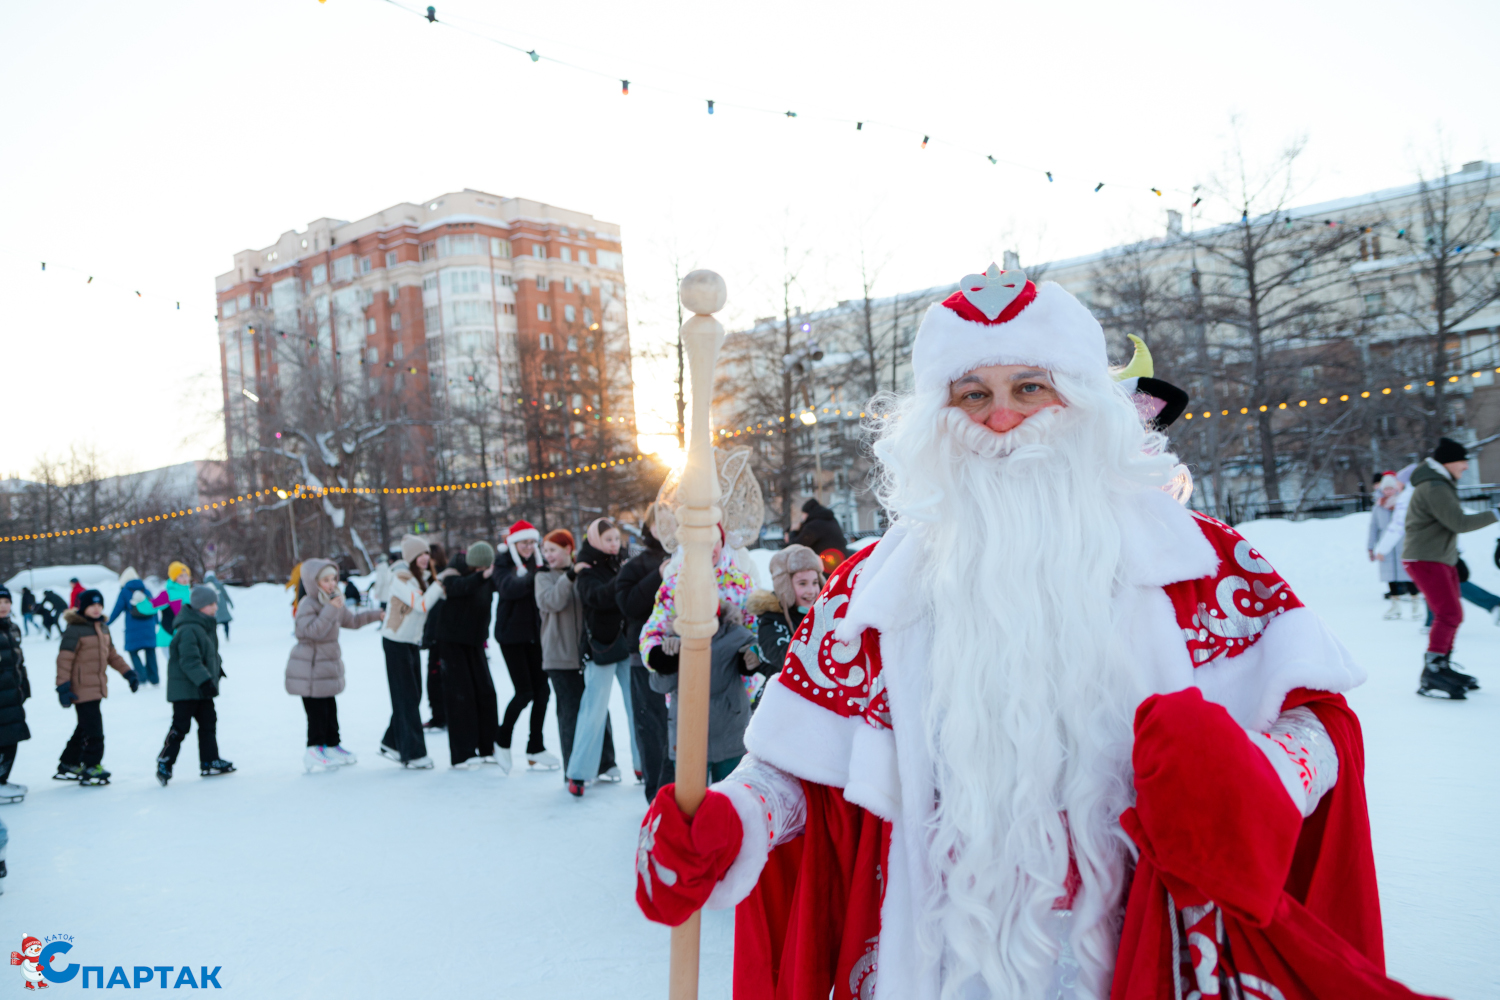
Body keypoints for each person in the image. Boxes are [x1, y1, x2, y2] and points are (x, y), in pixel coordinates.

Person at [632, 265, 1426, 1000]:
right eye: (971, 395)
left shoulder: (1200, 562)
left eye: (1029, 387)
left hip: (1147, 958)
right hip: (940, 963)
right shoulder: (874, 589)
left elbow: (1321, 727)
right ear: (935, 421)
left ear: (1081, 401)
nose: (1001, 418)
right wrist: (732, 819)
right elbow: (798, 778)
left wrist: (1250, 774)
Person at [1402, 437, 1500, 699]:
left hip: (1438, 557)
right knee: (1449, 614)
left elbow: (1444, 525)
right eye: (1463, 461)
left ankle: (1441, 665)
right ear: (1449, 462)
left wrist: (1454, 559)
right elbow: (1459, 523)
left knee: (1451, 613)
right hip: (1426, 558)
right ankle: (1433, 671)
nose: (1466, 466)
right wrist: (1496, 513)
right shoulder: (1435, 486)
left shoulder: (1439, 483)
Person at [284, 559, 383, 771]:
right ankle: (314, 749)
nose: (331, 584)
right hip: (310, 668)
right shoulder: (307, 604)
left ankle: (332, 744)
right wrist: (330, 609)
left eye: (333, 579)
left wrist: (377, 615)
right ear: (313, 582)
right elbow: (309, 632)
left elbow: (353, 621)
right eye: (325, 580)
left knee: (330, 709)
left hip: (326, 667)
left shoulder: (333, 600)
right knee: (317, 712)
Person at [535, 529, 617, 782]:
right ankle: (573, 768)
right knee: (570, 712)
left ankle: (606, 762)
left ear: (568, 550)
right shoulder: (543, 576)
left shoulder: (585, 573)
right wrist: (570, 576)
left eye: (553, 550)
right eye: (545, 550)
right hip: (559, 656)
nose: (548, 555)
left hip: (587, 653)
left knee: (596, 707)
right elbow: (550, 602)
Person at [647, 600, 758, 786]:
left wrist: (752, 656)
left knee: (727, 801)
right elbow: (658, 685)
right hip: (687, 734)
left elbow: (755, 648)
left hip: (729, 732)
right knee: (689, 804)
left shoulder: (735, 634)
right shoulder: (676, 639)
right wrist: (670, 661)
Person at [567, 517, 638, 795]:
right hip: (602, 646)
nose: (613, 545)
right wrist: (624, 579)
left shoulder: (622, 562)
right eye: (607, 540)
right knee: (593, 711)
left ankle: (644, 763)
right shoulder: (586, 567)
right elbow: (596, 598)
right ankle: (579, 773)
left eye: (616, 540)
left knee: (637, 708)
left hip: (628, 643)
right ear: (596, 540)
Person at [615, 505, 673, 802]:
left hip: (688, 656)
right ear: (649, 527)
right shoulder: (636, 565)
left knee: (681, 728)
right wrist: (658, 576)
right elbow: (627, 605)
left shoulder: (693, 557)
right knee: (652, 728)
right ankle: (656, 795)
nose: (666, 529)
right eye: (660, 523)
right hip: (646, 658)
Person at [494, 521, 560, 772]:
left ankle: (536, 747)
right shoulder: (503, 562)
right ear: (513, 544)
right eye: (524, 543)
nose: (529, 547)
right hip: (511, 637)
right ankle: (501, 740)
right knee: (525, 692)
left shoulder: (539, 562)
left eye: (533, 543)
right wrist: (538, 576)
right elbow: (508, 588)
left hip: (536, 635)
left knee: (542, 691)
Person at [55, 589, 138, 785]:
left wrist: (128, 673)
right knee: (94, 730)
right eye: (92, 605)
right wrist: (63, 687)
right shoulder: (75, 630)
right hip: (80, 688)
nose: (96, 609)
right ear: (83, 608)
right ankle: (91, 766)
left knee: (84, 727)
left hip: (96, 687)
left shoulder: (102, 627)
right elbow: (64, 660)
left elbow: (112, 655)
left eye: (99, 605)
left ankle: (68, 762)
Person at [431, 544, 503, 769]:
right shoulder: (453, 575)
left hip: (474, 643)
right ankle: (462, 753)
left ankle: (487, 746)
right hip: (451, 643)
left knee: (486, 693)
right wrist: (483, 575)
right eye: (479, 566)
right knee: (461, 697)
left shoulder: (486, 578)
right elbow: (459, 587)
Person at [376, 535, 443, 769]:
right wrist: (439, 584)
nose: (425, 558)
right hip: (395, 642)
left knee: (413, 696)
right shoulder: (400, 579)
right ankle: (413, 754)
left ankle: (392, 742)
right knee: (406, 698)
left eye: (426, 554)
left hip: (410, 642)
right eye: (419, 555)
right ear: (410, 558)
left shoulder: (422, 579)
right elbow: (421, 604)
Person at [156, 586, 233, 784]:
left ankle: (210, 760)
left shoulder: (205, 625)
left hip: (201, 688)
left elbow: (209, 654)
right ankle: (165, 760)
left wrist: (218, 668)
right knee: (181, 726)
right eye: (211, 604)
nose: (215, 607)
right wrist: (206, 680)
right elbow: (189, 661)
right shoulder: (189, 628)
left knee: (208, 723)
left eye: (215, 603)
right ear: (199, 607)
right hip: (185, 689)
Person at [745, 544, 824, 679]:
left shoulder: (823, 615)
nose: (811, 590)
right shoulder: (772, 620)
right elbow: (786, 658)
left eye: (815, 582)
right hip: (785, 696)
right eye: (802, 583)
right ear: (785, 586)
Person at [1367, 473, 1419, 619]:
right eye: (1386, 489)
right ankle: (1395, 607)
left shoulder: (1404, 504)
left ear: (1396, 489)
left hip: (1404, 545)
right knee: (1390, 578)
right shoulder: (1378, 507)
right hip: (1386, 548)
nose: (1388, 491)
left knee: (1409, 576)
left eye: (1391, 488)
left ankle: (1416, 606)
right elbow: (1373, 528)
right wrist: (1371, 547)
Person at [0, 587, 30, 804]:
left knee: (12, 738)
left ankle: (2, 780)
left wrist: (25, 686)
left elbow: (20, 661)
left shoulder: (12, 628)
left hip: (12, 695)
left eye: (7, 601)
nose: (4, 606)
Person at [108, 567, 162, 685]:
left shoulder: (125, 591)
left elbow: (117, 609)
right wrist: (156, 622)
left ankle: (142, 677)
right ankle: (154, 679)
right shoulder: (146, 590)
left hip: (133, 629)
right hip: (149, 626)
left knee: (133, 651)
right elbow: (154, 607)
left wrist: (106, 623)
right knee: (150, 652)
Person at [421, 542, 449, 731]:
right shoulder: (433, 577)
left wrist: (428, 636)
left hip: (439, 637)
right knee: (438, 677)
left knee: (435, 677)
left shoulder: (437, 578)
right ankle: (440, 715)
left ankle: (440, 716)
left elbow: (435, 611)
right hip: (439, 636)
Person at [787, 497, 850, 564]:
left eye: (803, 513)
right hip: (840, 559)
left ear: (808, 513)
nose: (802, 517)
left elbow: (797, 545)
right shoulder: (832, 519)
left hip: (825, 564)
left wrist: (793, 531)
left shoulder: (813, 525)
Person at [155, 561, 193, 636]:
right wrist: (142, 601)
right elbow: (151, 606)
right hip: (169, 634)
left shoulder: (190, 593)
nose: (185, 578)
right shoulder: (167, 594)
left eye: (186, 575)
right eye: (181, 576)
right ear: (174, 578)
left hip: (186, 633)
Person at [203, 570, 234, 640]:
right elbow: (225, 595)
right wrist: (230, 603)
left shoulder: (206, 586)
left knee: (214, 624)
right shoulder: (219, 584)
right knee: (225, 622)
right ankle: (227, 635)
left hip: (212, 607)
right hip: (222, 606)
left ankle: (214, 637)